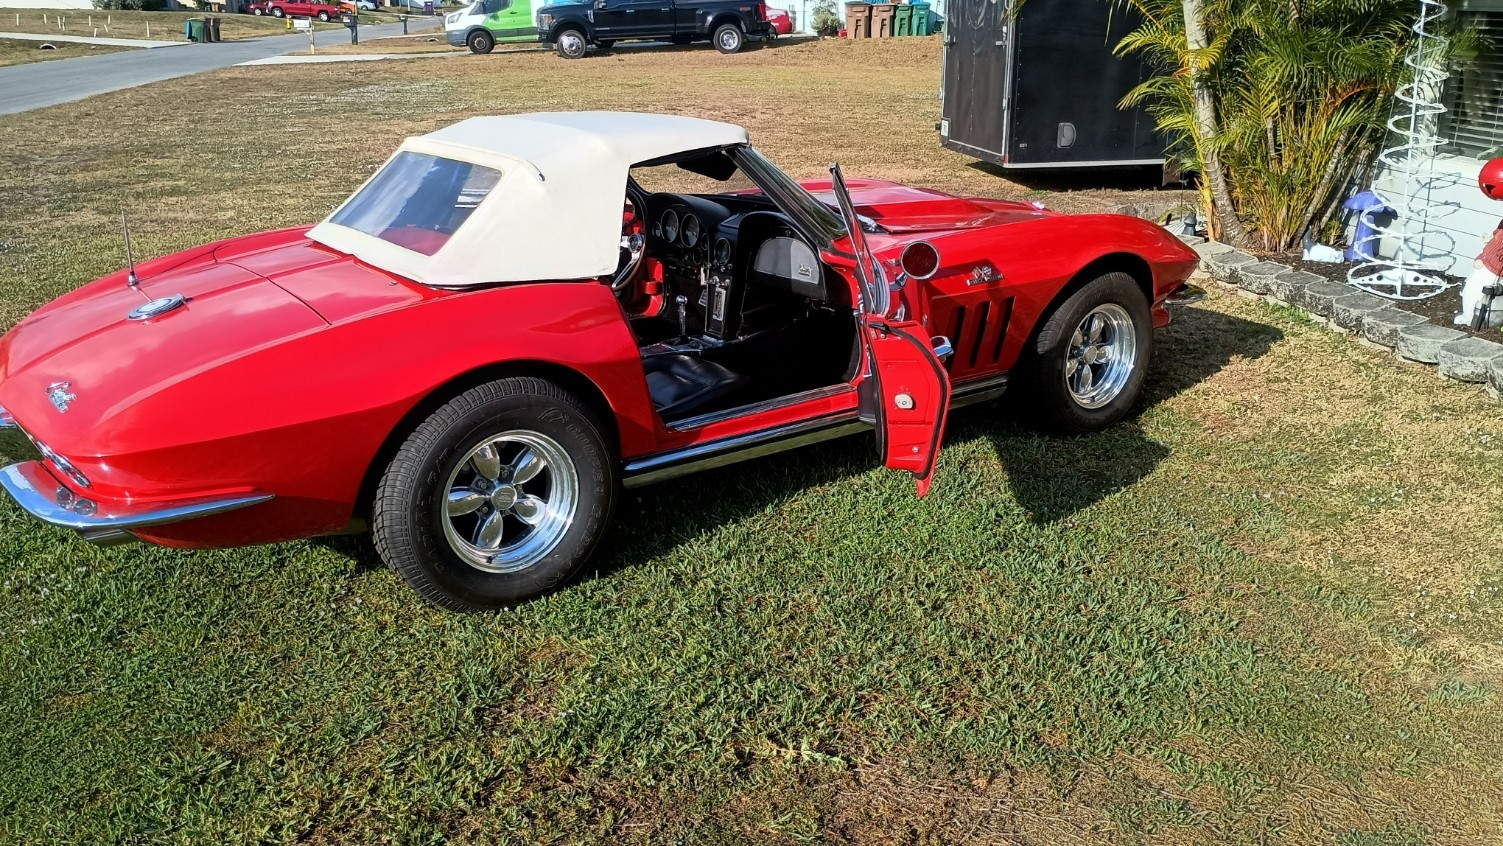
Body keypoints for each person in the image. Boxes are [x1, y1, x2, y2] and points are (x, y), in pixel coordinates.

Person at [1456, 157, 1503, 329]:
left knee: (1474, 291)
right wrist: (1482, 258)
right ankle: (1470, 316)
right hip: (1487, 263)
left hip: (1492, 268)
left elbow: (1498, 247)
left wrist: (1484, 260)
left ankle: (1471, 319)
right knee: (1470, 289)